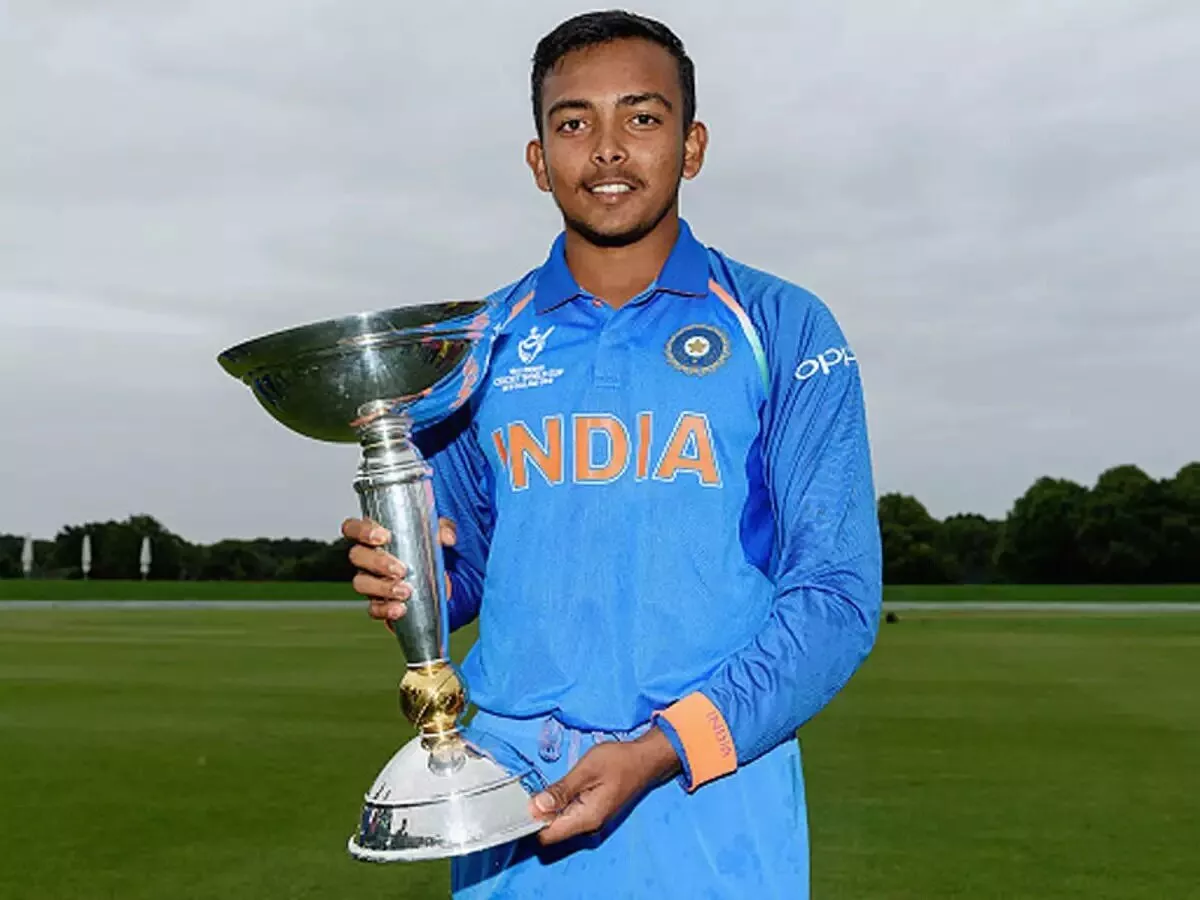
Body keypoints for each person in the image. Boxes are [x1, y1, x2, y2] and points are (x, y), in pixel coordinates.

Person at [343, 10, 882, 899]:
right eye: (573, 122)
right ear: (536, 158)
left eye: (641, 117)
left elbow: (836, 594)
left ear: (693, 143)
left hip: (716, 787)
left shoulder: (783, 327)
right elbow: (466, 572)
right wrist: (408, 568)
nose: (606, 150)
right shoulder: (474, 345)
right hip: (516, 796)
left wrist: (665, 747)